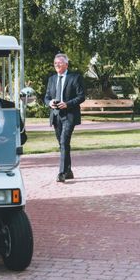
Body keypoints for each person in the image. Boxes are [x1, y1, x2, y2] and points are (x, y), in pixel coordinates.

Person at [44, 54, 86, 183]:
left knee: (63, 142)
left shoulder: (75, 78)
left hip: (69, 115)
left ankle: (61, 173)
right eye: (55, 63)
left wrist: (67, 104)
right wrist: (49, 103)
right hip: (56, 115)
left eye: (60, 63)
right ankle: (68, 171)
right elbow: (46, 97)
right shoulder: (51, 79)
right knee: (62, 144)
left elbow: (81, 96)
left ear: (66, 64)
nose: (57, 65)